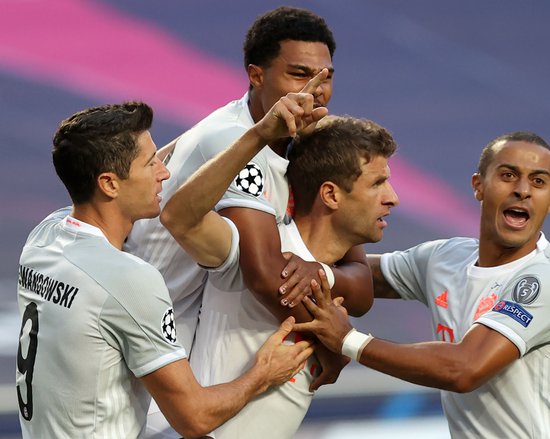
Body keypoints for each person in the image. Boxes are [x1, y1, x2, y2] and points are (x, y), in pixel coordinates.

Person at [15, 101, 315, 438]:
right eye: (150, 163)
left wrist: (256, 133)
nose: (165, 172)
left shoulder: (44, 237)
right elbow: (194, 417)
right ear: (109, 184)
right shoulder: (128, 280)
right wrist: (262, 374)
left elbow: (143, 161)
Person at [294, 132, 550, 438]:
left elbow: (464, 369)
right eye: (508, 175)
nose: (523, 191)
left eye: (538, 182)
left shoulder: (547, 280)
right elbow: (350, 274)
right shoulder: (446, 258)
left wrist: (346, 341)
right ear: (478, 186)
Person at [124, 6, 371, 360]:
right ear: (256, 75)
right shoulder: (229, 139)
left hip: (199, 344)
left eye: (326, 77)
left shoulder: (307, 142)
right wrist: (331, 348)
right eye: (300, 75)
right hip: (154, 346)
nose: (316, 91)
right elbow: (268, 278)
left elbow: (361, 283)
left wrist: (324, 274)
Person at [158, 114, 399, 438]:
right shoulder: (255, 253)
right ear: (330, 195)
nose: (393, 197)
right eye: (377, 183)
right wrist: (255, 136)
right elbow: (179, 218)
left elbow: (361, 292)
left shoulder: (337, 278)